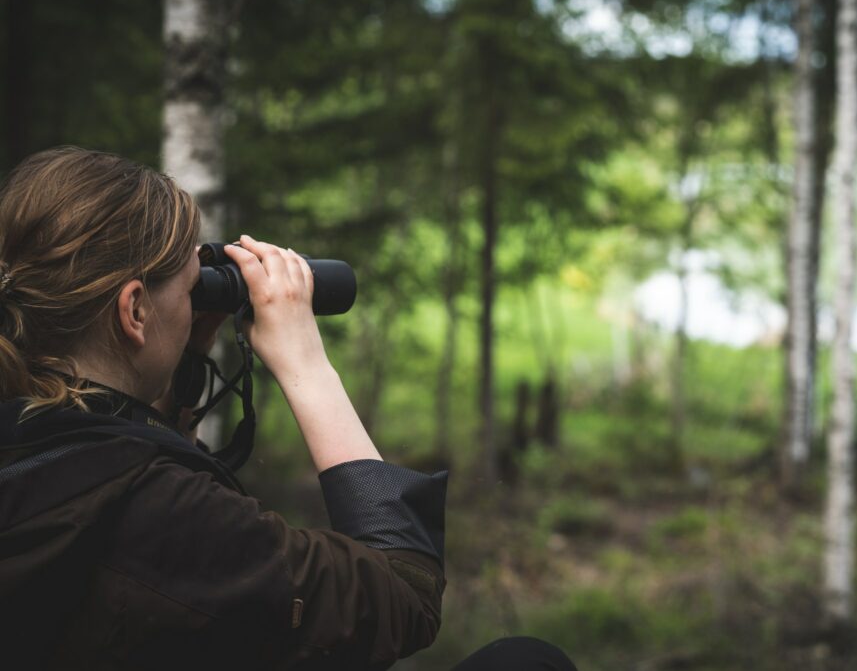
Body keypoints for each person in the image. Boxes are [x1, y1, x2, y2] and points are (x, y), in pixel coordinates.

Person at [0, 147, 575, 671]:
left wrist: (186, 360)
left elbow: (111, 437)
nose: (197, 301)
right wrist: (305, 365)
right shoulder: (157, 511)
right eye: (190, 287)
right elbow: (402, 595)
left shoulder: (42, 455)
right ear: (134, 311)